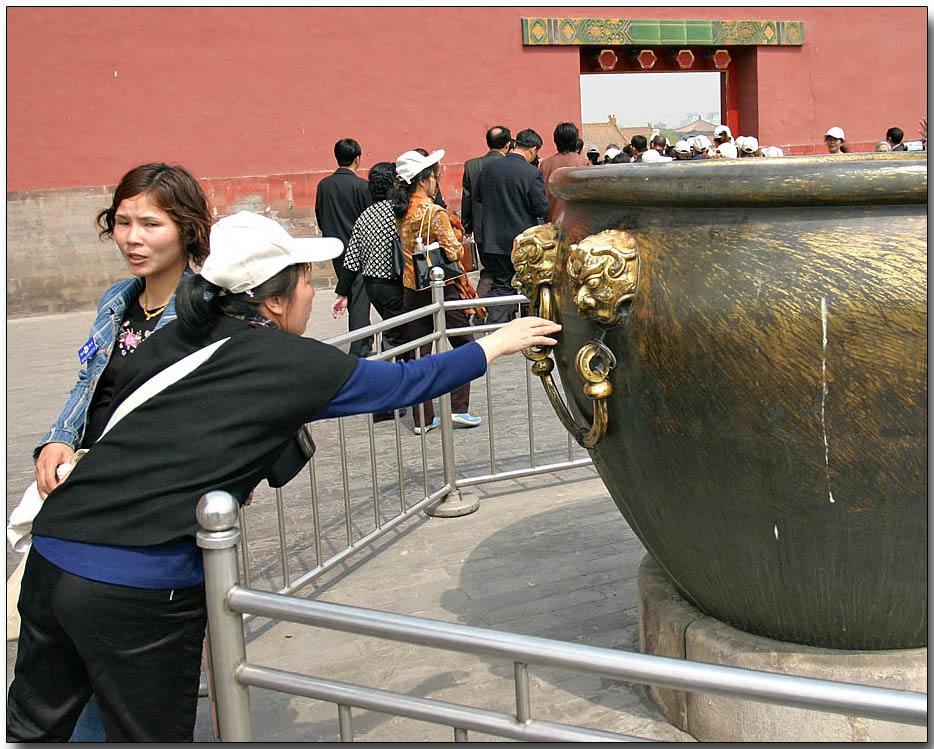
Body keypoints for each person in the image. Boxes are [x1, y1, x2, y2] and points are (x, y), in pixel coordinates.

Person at [6, 209, 561, 742]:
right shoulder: (287, 362)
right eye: (304, 282)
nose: (310, 294)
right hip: (135, 582)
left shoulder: (181, 334)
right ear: (273, 301)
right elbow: (403, 384)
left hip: (55, 554)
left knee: (34, 728)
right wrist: (496, 343)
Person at [14, 162, 212, 742]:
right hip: (85, 493)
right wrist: (58, 437)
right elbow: (88, 381)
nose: (132, 237)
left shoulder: (207, 312)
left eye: (150, 223)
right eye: (122, 222)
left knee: (133, 671)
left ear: (187, 228)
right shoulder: (116, 299)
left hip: (147, 507)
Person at [391, 148, 485, 433]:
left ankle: (423, 418)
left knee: (421, 352)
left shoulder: (402, 209)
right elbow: (454, 252)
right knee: (465, 344)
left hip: (412, 285)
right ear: (423, 180)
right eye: (434, 176)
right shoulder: (433, 212)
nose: (436, 181)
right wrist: (458, 240)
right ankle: (458, 408)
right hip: (441, 287)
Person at [338, 161, 410, 423]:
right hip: (394, 282)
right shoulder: (398, 212)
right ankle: (396, 396)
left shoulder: (365, 215)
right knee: (400, 339)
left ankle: (390, 397)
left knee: (392, 335)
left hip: (372, 284)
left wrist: (342, 291)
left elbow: (351, 258)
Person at [475, 128, 549, 325]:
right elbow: (541, 207)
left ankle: (496, 327)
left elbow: (479, 198)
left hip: (494, 239)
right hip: (523, 242)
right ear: (533, 150)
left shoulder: (489, 169)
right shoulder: (532, 173)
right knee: (527, 287)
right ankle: (528, 326)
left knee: (501, 286)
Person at [315, 137, 374, 356]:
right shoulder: (361, 186)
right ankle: (358, 347)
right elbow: (368, 219)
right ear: (357, 158)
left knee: (350, 293)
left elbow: (320, 216)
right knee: (359, 299)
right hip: (357, 249)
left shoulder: (324, 186)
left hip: (336, 248)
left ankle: (365, 339)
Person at [462, 126, 511, 300]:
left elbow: (467, 199)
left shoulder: (471, 166)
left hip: (481, 229)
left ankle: (480, 307)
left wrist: (466, 227)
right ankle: (499, 310)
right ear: (507, 145)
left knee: (489, 270)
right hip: (505, 230)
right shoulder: (508, 165)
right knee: (506, 273)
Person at [540, 122, 589, 223]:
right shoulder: (584, 163)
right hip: (578, 221)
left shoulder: (546, 164)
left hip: (552, 220)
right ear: (575, 141)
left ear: (556, 141)